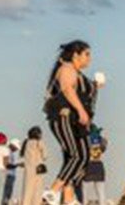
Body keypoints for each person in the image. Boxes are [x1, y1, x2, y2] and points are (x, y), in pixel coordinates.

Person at [42, 40, 96, 205]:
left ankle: (68, 194)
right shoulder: (67, 69)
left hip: (75, 120)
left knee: (84, 157)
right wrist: (80, 110)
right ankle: (52, 192)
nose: (89, 58)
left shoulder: (78, 74)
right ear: (75, 55)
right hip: (64, 117)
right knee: (76, 155)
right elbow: (67, 89)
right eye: (86, 54)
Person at [20, 127, 47, 205]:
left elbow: (22, 155)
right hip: (38, 169)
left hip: (28, 169)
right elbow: (45, 156)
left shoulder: (26, 142)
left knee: (27, 189)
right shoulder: (39, 142)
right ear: (38, 134)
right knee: (37, 190)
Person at [82, 125, 107, 205]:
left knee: (84, 191)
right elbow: (104, 147)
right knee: (101, 191)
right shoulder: (100, 141)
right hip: (99, 164)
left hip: (88, 164)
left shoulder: (86, 139)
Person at [2, 139, 22, 205]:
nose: (16, 149)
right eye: (16, 148)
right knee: (6, 192)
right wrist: (17, 165)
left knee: (9, 193)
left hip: (11, 175)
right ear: (12, 145)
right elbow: (7, 165)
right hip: (8, 175)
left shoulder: (12, 153)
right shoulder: (7, 152)